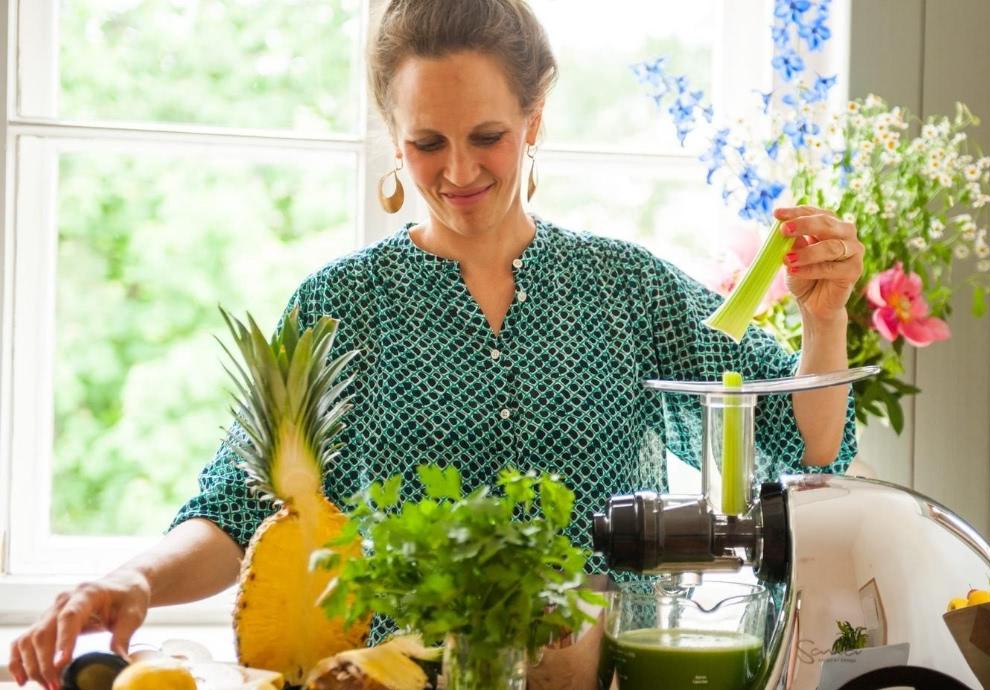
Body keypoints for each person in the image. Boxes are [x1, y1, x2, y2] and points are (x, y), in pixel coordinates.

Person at [7, 0, 864, 687]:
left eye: (486, 135)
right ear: (393, 137)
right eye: (427, 143)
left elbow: (801, 443)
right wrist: (133, 582)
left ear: (533, 120)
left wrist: (825, 320)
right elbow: (239, 509)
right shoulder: (340, 306)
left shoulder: (626, 289)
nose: (458, 172)